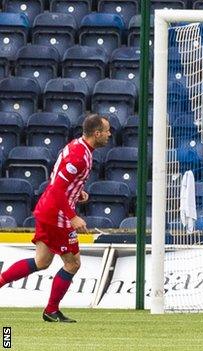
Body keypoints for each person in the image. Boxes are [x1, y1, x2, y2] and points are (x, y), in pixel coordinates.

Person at [0, 114, 111, 323]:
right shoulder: (79, 156)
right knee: (73, 264)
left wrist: (77, 192)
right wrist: (73, 216)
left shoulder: (79, 147)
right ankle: (51, 310)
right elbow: (57, 188)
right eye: (107, 130)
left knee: (41, 261)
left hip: (48, 210)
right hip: (57, 216)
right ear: (97, 133)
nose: (109, 134)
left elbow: (61, 179)